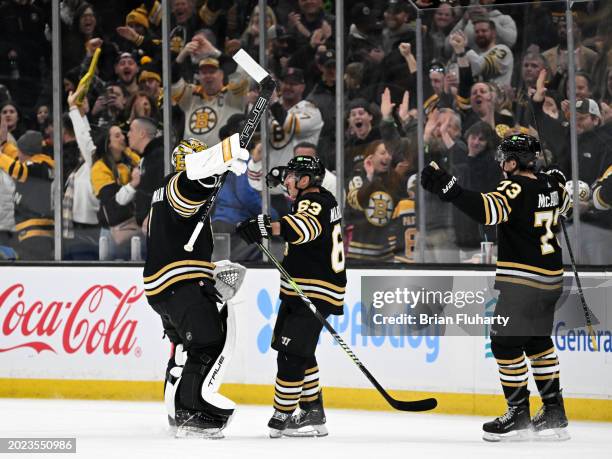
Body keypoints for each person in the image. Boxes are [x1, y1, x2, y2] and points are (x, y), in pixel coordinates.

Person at [421, 134, 571, 441]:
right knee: (538, 343)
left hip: (523, 281)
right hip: (551, 279)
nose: (501, 163)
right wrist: (558, 179)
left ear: (514, 162)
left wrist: (451, 190)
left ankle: (518, 413)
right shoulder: (550, 184)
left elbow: (488, 210)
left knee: (504, 343)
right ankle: (554, 410)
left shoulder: (514, 186)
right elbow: (566, 205)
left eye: (505, 158)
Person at [143, 135, 249, 438]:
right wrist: (224, 154)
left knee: (182, 350)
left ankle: (175, 412)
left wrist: (211, 269)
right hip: (181, 284)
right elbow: (192, 185)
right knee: (207, 343)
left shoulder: (162, 192)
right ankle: (192, 414)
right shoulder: (178, 183)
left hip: (165, 284)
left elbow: (177, 239)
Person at [236, 155, 346, 438]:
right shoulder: (318, 198)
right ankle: (312, 412)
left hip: (313, 289)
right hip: (306, 288)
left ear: (306, 180)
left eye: (292, 175)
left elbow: (303, 229)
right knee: (301, 351)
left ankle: (282, 414)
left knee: (290, 354)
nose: (286, 180)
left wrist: (264, 227)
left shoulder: (316, 201)